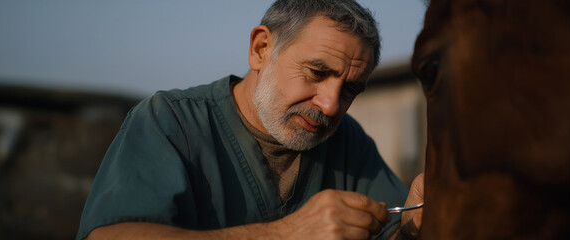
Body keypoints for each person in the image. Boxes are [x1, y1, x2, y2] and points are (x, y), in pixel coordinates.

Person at [77, 0, 423, 239]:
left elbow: (392, 233)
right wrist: (286, 234)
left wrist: (413, 226)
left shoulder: (347, 142)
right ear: (261, 49)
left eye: (349, 91)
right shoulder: (171, 121)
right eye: (317, 72)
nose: (331, 105)